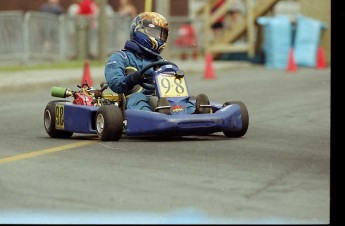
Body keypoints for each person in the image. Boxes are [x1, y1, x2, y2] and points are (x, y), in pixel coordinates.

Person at [104, 12, 209, 114]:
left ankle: (194, 112)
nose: (159, 38)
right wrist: (132, 79)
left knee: (179, 99)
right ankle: (152, 116)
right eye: (155, 33)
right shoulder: (121, 57)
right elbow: (114, 83)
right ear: (139, 31)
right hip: (133, 100)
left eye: (162, 35)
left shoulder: (161, 62)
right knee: (138, 98)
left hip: (161, 100)